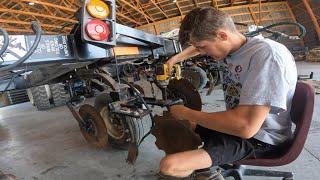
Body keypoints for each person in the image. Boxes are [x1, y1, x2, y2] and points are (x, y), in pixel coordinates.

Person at [159, 7, 297, 179]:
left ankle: (204, 172)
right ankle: (200, 164)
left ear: (223, 35)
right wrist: (175, 59)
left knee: (169, 166)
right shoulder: (233, 47)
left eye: (203, 47)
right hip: (241, 127)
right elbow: (199, 46)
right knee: (183, 125)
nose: (202, 53)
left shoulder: (266, 56)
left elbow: (246, 127)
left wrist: (187, 113)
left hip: (262, 138)